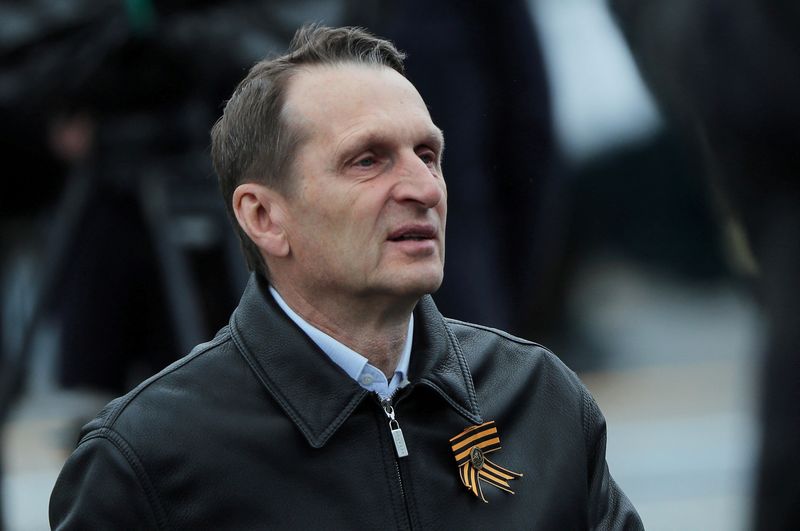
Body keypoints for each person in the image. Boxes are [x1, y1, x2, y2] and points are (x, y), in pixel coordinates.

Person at [49, 25, 642, 529]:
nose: (422, 188)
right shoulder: (146, 460)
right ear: (264, 216)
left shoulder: (540, 399)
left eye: (428, 155)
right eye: (368, 160)